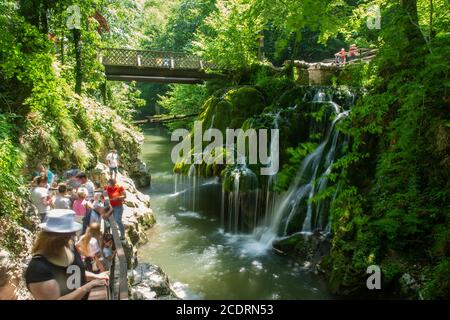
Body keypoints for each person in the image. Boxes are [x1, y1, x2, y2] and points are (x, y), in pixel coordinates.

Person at [25, 209, 108, 300]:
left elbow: (74, 273)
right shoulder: (38, 269)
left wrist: (95, 277)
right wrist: (88, 286)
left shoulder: (70, 247)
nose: (73, 236)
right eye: (69, 234)